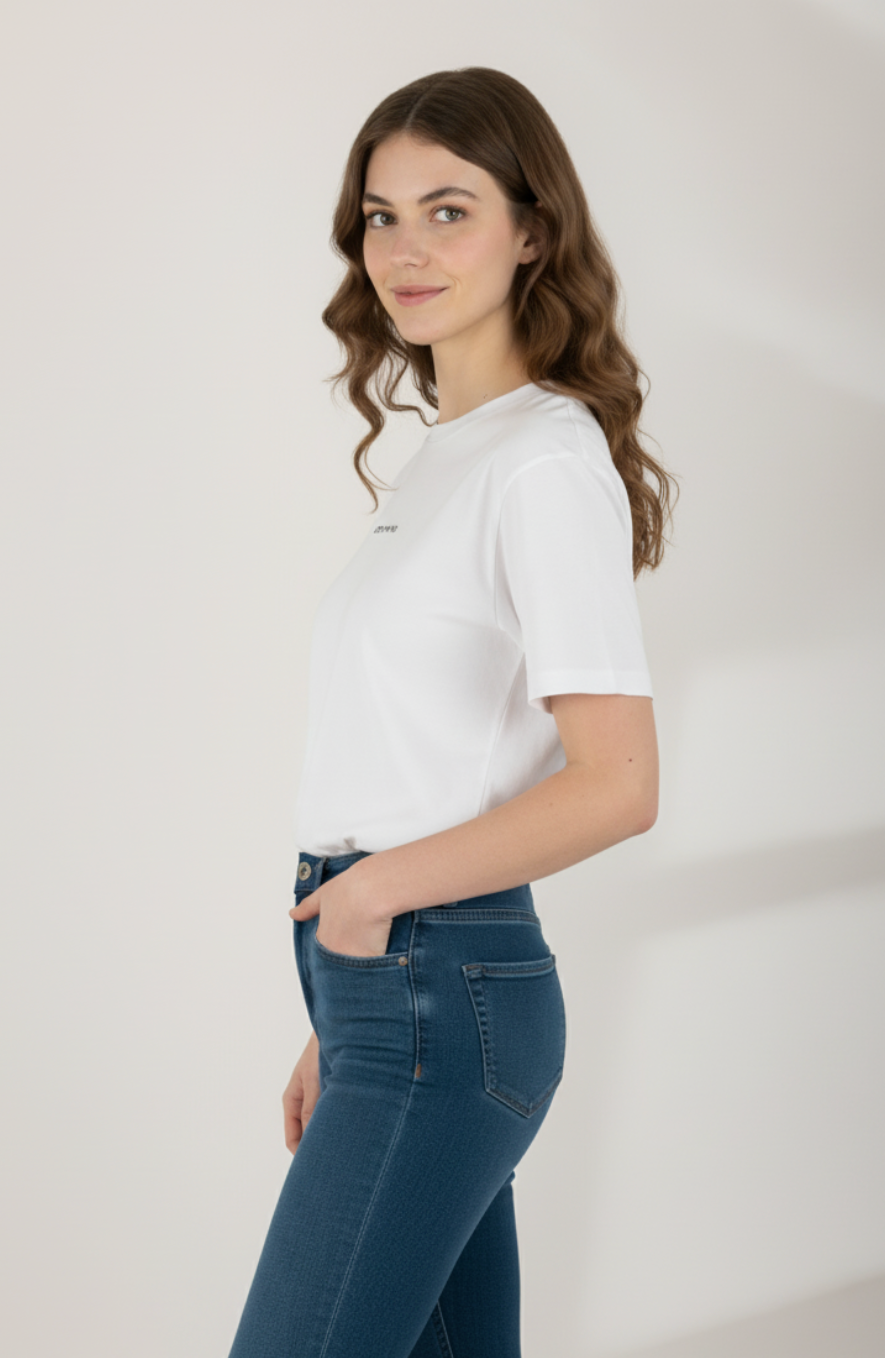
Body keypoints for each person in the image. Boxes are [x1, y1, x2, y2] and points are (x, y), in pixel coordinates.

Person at [227, 66, 676, 1358]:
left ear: (532, 230)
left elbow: (618, 783)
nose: (405, 249)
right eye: (381, 216)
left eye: (448, 209)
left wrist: (371, 900)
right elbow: (410, 761)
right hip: (392, 990)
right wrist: (338, 1006)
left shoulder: (541, 458)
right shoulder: (452, 455)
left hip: (433, 981)